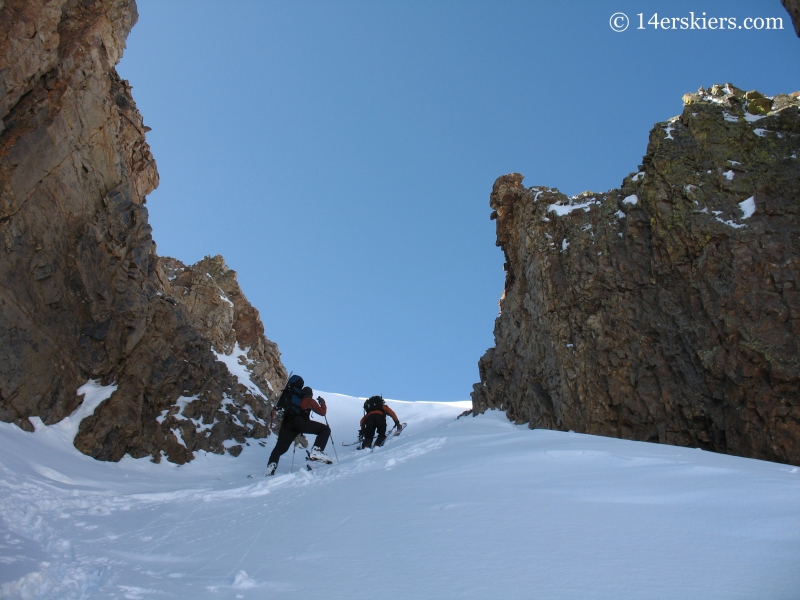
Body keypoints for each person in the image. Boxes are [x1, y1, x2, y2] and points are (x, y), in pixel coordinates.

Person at [266, 378, 331, 475]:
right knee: (325, 429)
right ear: (310, 394)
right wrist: (322, 402)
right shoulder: (308, 399)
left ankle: (270, 467)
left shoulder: (292, 399)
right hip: (299, 423)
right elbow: (322, 412)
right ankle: (317, 451)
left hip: (287, 423)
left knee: (280, 447)